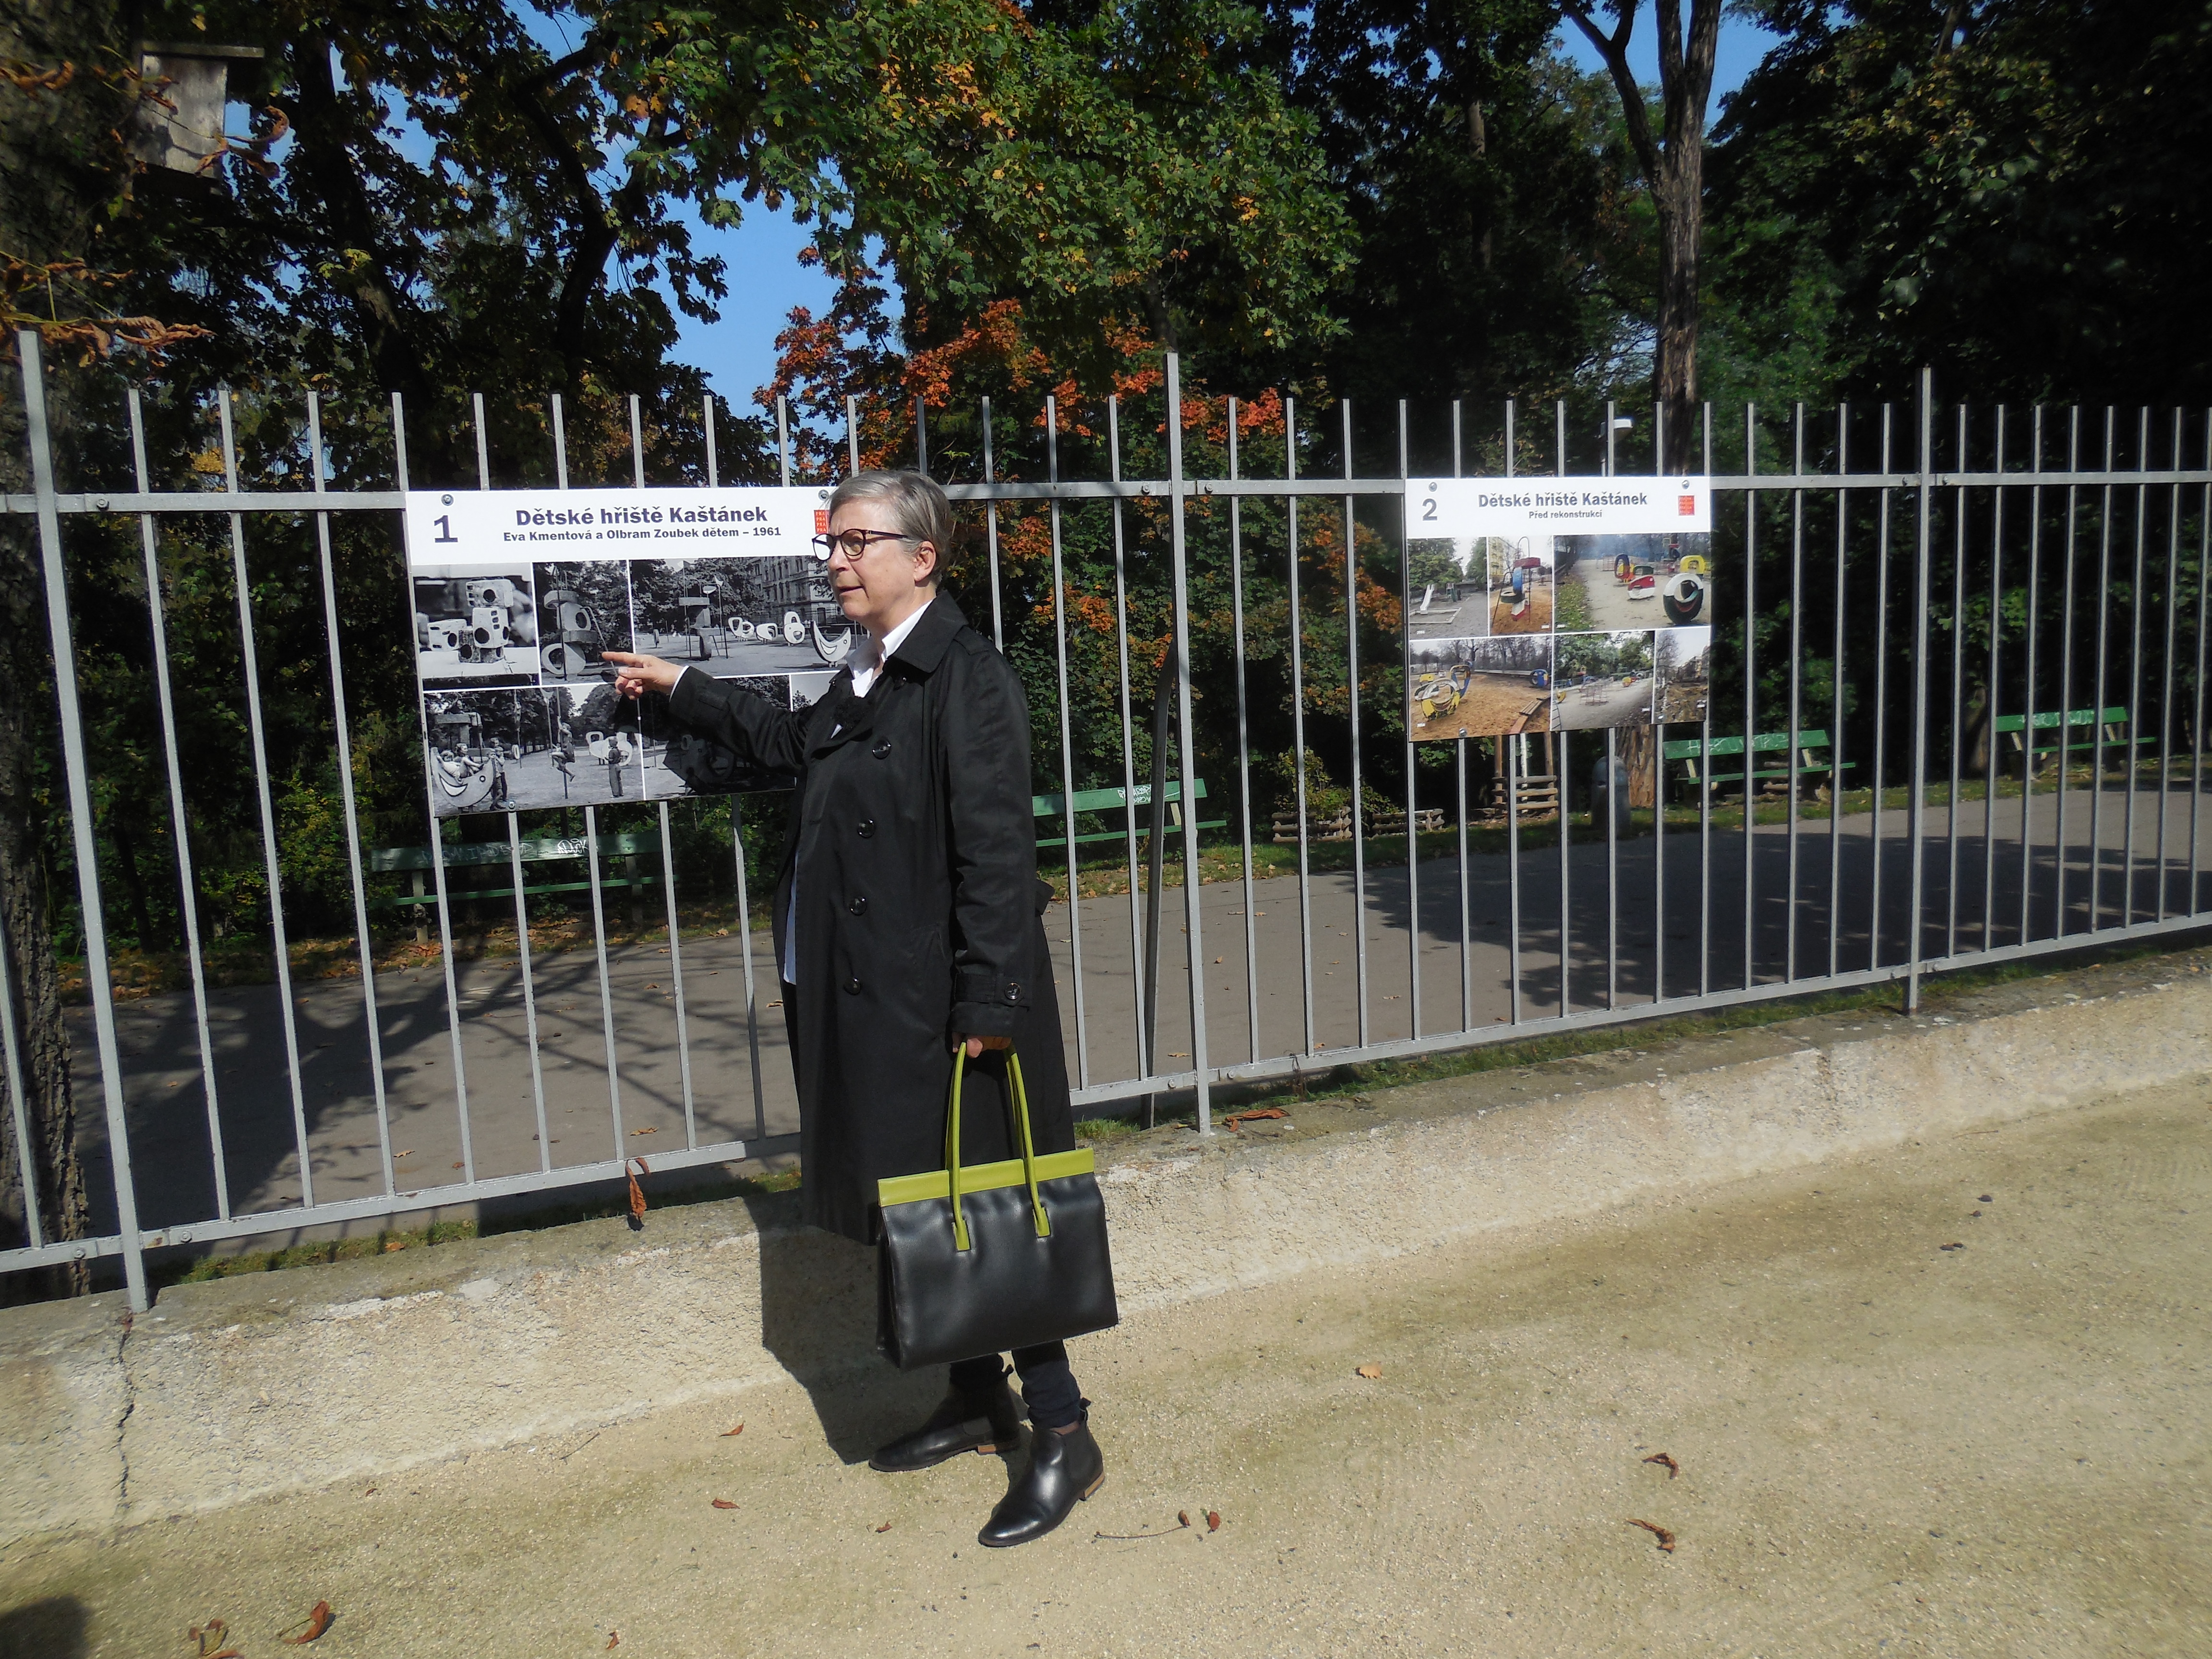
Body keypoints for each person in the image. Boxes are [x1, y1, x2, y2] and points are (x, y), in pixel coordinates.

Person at [602, 470, 1103, 1548]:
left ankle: (1064, 1431)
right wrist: (684, 685)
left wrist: (990, 1001)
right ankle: (976, 1395)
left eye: (856, 542)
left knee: (989, 1207)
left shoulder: (964, 677)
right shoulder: (871, 670)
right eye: (832, 543)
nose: (836, 560)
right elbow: (794, 747)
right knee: (919, 1203)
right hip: (865, 994)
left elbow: (999, 855)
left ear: (922, 558)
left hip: (940, 1005)